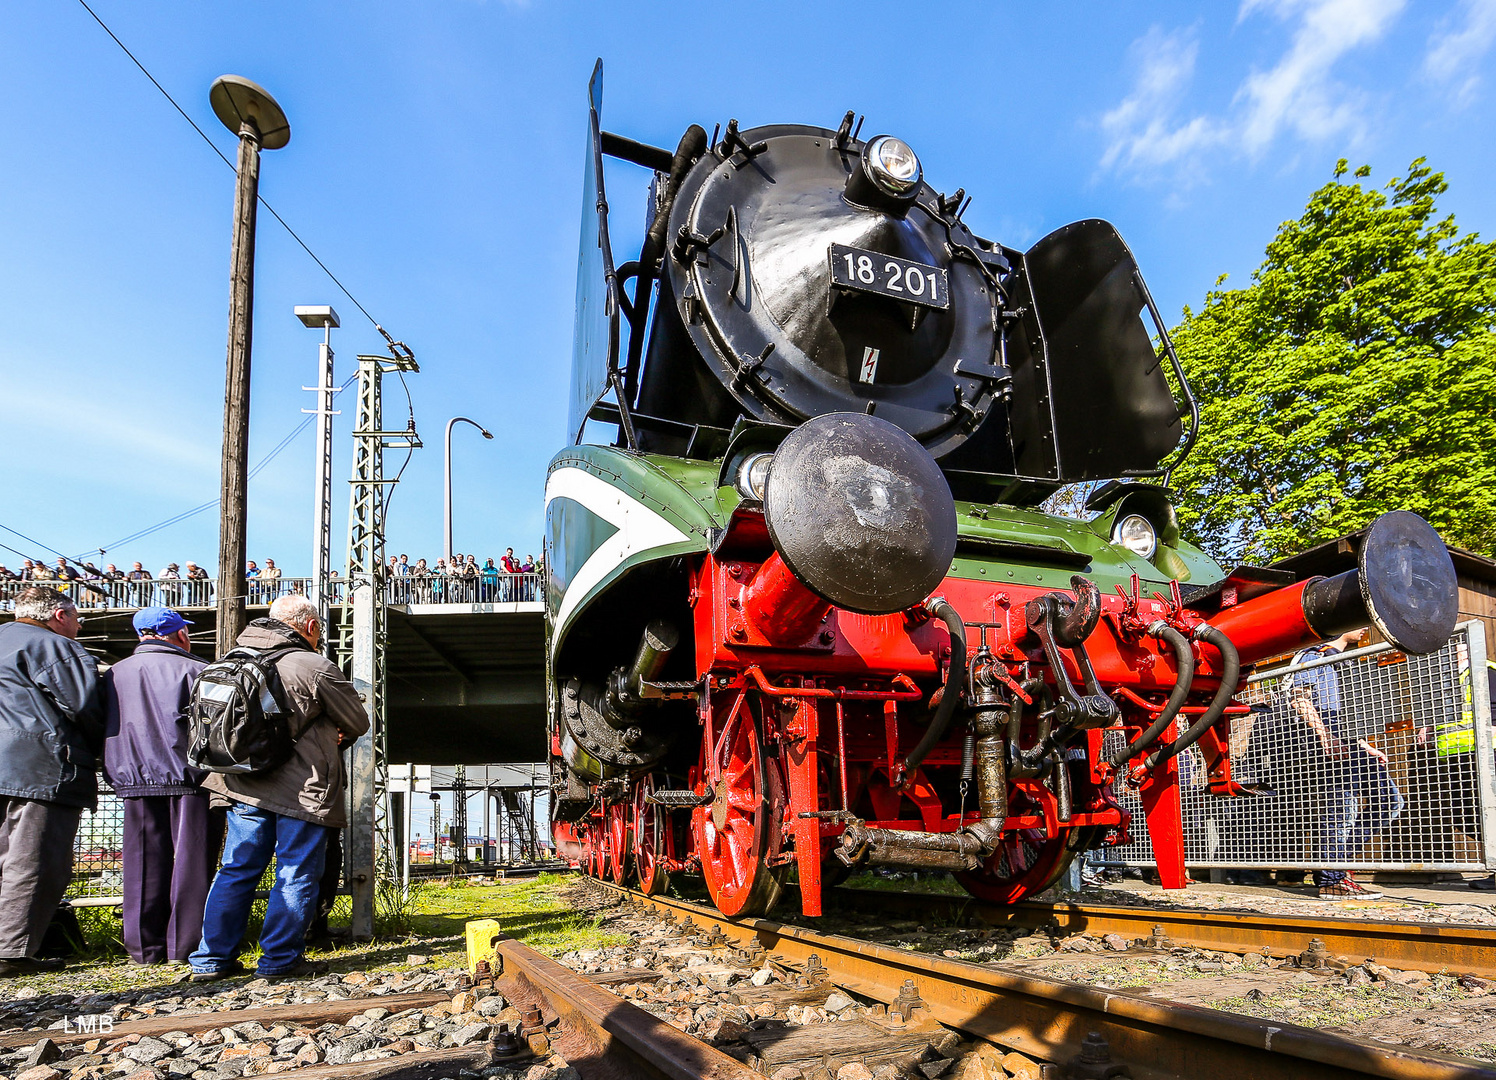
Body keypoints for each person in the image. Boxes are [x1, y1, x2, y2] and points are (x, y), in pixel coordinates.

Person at [190, 594, 368, 981]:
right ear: (311, 627)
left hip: (241, 784)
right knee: (296, 871)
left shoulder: (230, 658)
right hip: (302, 789)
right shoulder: (315, 666)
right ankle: (278, 960)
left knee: (236, 869)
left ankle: (211, 960)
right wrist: (330, 731)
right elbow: (357, 721)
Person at [101, 607, 214, 965]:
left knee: (141, 863)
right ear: (180, 634)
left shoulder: (114, 674)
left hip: (132, 776)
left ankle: (143, 949)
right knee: (191, 864)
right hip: (188, 777)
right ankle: (183, 946)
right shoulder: (197, 670)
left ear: (141, 636)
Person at [0, 586, 104, 974]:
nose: (78, 626)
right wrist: (99, 749)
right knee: (35, 858)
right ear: (59, 615)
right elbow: (84, 705)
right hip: (38, 764)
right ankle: (11, 950)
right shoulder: (56, 647)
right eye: (77, 618)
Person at [1285, 628, 1401, 900]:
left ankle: (1333, 865)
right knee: (1341, 809)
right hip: (1329, 746)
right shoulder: (1315, 655)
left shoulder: (1344, 662)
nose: (1363, 626)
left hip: (1347, 744)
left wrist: (1364, 745)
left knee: (1390, 801)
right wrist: (1326, 738)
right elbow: (1299, 698)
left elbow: (1346, 717)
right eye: (1355, 620)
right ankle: (1332, 881)